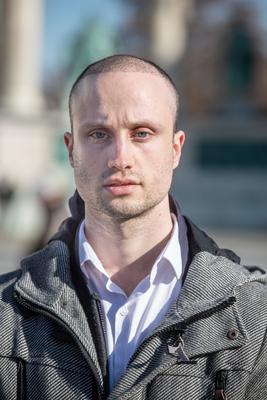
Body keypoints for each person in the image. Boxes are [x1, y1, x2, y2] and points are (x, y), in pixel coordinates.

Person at [0, 55, 266, 400]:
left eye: (142, 133)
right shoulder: (5, 312)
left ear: (175, 149)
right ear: (70, 149)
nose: (120, 157)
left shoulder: (256, 314)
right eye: (98, 134)